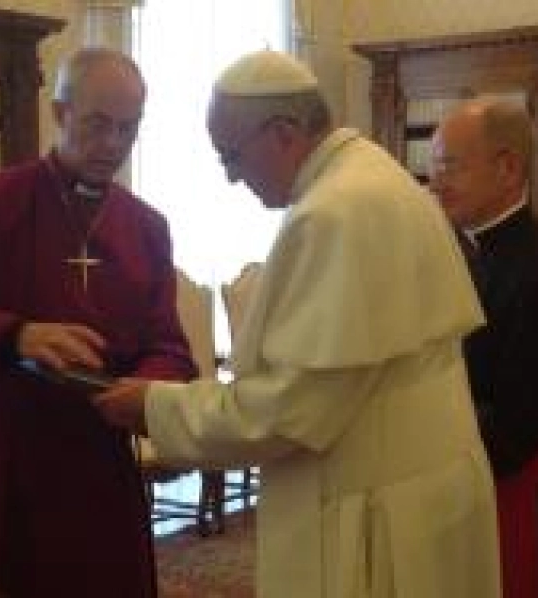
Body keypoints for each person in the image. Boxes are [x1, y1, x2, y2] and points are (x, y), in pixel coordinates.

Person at [96, 49, 501, 598]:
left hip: (373, 509)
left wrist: (155, 406)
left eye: (231, 154)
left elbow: (290, 413)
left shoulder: (333, 211)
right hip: (423, 488)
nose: (231, 175)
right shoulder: (377, 175)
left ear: (283, 133)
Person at [0, 48, 197, 596]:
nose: (113, 146)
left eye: (129, 129)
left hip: (98, 472)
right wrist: (17, 335)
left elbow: (168, 347)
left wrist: (147, 389)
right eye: (99, 125)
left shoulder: (146, 227)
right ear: (61, 112)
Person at [428, 98, 538, 598]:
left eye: (449, 166)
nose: (435, 184)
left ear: (507, 168)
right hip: (469, 484)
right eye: (433, 168)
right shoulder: (466, 253)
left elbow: (516, 428)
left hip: (519, 501)